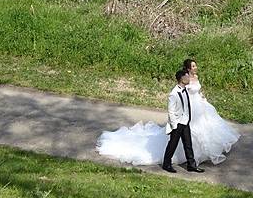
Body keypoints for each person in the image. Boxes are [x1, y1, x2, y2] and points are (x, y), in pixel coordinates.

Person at [96, 60, 240, 168]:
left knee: (206, 127)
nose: (196, 68)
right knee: (188, 133)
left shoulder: (195, 78)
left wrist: (202, 98)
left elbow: (197, 90)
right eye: (194, 66)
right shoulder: (183, 80)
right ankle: (184, 159)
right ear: (188, 68)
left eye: (196, 66)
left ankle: (196, 157)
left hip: (200, 106)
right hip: (188, 109)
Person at [162, 69, 204, 173]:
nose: (189, 78)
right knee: (173, 144)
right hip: (177, 123)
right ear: (182, 79)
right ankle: (166, 164)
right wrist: (174, 125)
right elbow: (171, 111)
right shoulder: (174, 93)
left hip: (185, 122)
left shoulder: (185, 89)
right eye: (187, 77)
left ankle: (191, 165)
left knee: (188, 144)